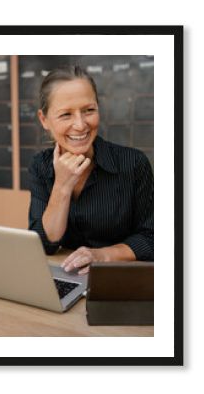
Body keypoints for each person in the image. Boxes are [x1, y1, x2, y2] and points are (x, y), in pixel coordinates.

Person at [28, 65, 154, 274]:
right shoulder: (40, 166)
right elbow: (44, 244)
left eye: (89, 110)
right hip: (67, 275)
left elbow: (152, 238)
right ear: (44, 120)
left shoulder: (133, 163)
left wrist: (101, 255)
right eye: (66, 115)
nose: (80, 125)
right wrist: (62, 185)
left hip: (121, 278)